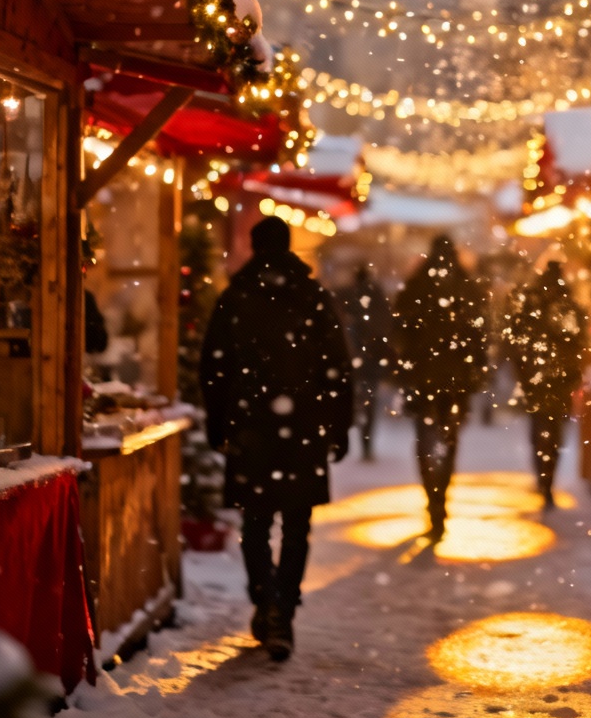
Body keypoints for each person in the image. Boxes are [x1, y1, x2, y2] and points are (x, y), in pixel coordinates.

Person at [199, 215, 353, 662]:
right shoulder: (313, 297)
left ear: (253, 246)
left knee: (255, 523)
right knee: (297, 526)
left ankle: (265, 599)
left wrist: (219, 422)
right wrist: (337, 426)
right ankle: (282, 608)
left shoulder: (236, 298)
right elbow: (338, 369)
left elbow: (214, 369)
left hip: (253, 429)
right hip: (302, 429)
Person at [393, 233, 488, 542]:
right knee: (448, 441)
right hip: (455, 381)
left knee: (425, 439)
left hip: (423, 379)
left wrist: (406, 364)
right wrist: (475, 368)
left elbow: (399, 330)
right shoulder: (466, 286)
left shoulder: (417, 285)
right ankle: (440, 496)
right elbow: (480, 333)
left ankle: (432, 497)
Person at [505, 259, 587, 507]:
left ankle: (543, 474)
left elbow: (517, 340)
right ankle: (548, 476)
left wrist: (523, 371)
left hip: (536, 376)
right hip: (561, 377)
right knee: (555, 430)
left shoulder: (533, 304)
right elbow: (578, 341)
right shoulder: (569, 306)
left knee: (539, 425)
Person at [336, 264, 396, 461]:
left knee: (357, 400)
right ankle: (366, 443)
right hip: (372, 359)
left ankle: (360, 437)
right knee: (369, 401)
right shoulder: (377, 297)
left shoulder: (347, 296)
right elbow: (387, 326)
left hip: (352, 359)